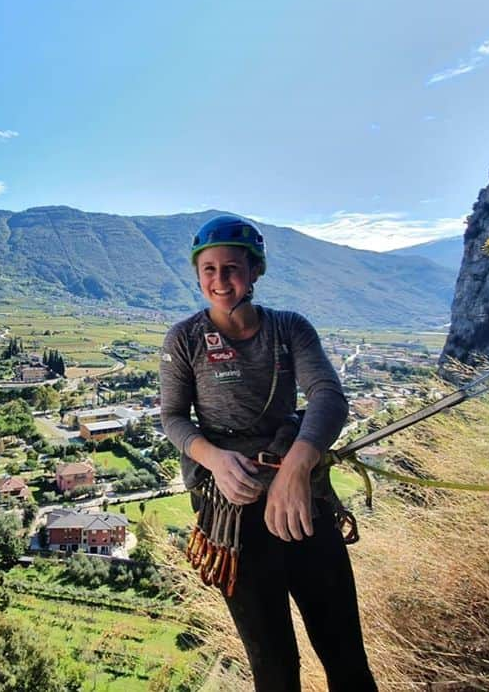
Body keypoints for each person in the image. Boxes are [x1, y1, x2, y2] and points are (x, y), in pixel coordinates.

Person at [159, 214, 377, 692]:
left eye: (232, 267)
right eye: (209, 269)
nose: (220, 280)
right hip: (234, 520)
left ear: (254, 270)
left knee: (346, 659)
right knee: (275, 671)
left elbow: (328, 395)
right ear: (198, 274)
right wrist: (214, 459)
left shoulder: (289, 330)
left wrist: (297, 467)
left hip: (302, 504)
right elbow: (173, 416)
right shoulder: (185, 340)